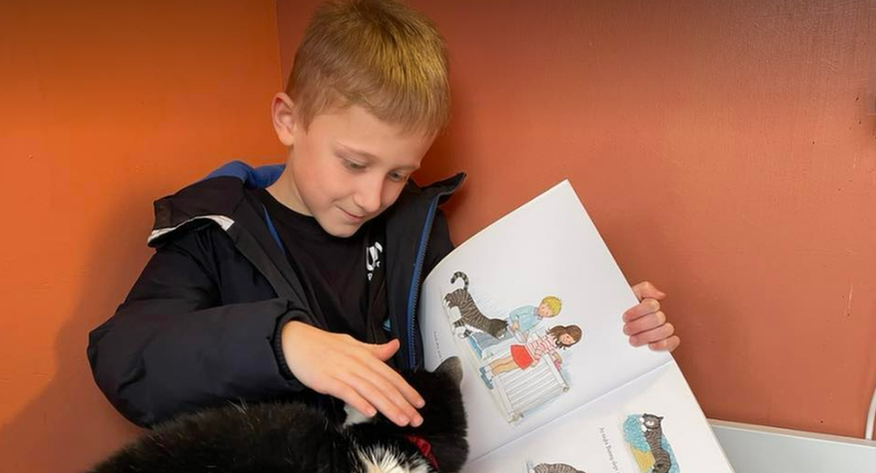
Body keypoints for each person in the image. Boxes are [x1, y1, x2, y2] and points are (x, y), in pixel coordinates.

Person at [87, 0, 680, 430]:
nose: (373, 198)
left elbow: (476, 338)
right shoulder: (213, 231)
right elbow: (123, 357)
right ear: (289, 121)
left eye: (397, 173)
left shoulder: (412, 230)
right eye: (353, 163)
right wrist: (283, 343)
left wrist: (601, 321)